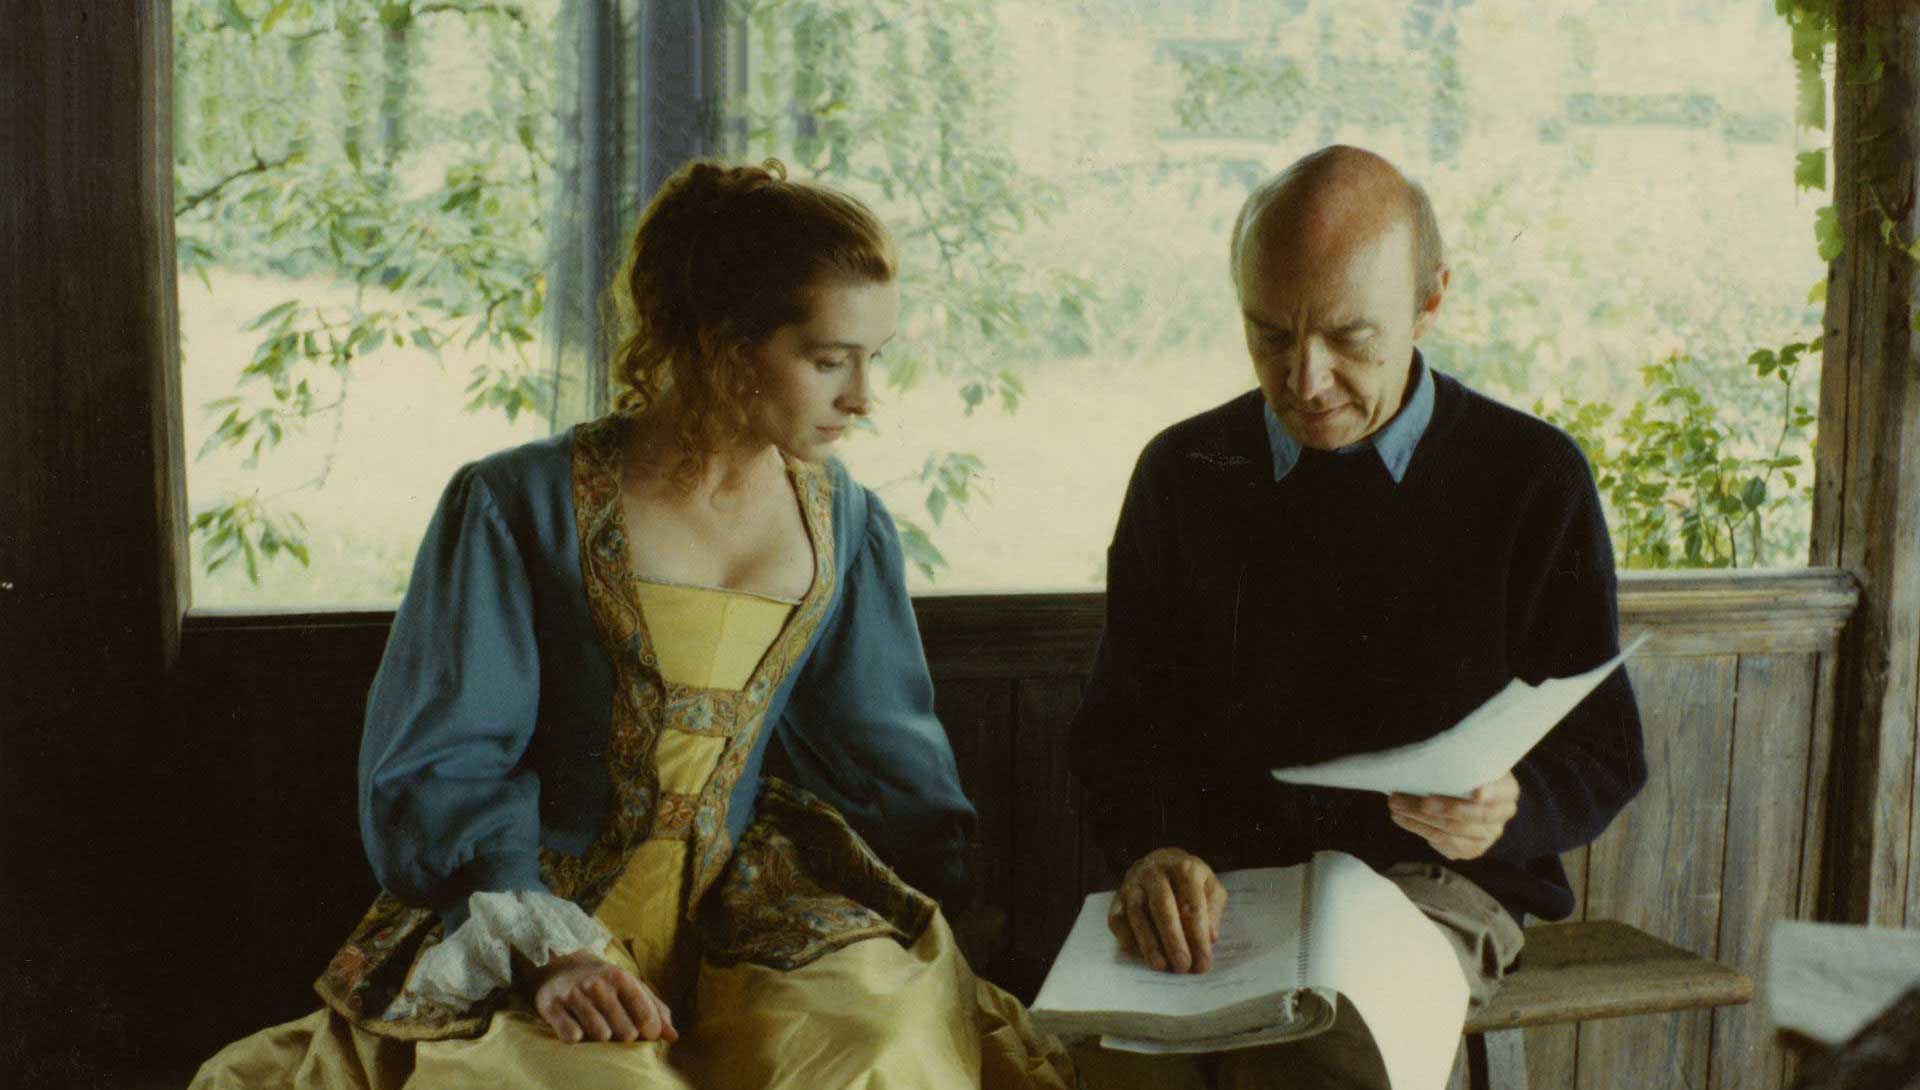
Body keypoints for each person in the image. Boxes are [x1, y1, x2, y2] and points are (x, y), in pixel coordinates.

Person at [192, 159, 1074, 1090]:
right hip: (539, 910)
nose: (864, 395)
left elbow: (882, 753)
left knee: (877, 1050)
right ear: (724, 342)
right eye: (828, 360)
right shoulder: (516, 503)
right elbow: (442, 761)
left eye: (873, 358)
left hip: (754, 915)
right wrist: (550, 955)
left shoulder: (844, 518)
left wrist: (944, 916)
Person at [1067, 145, 1647, 1089]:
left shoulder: (1531, 478)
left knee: (1318, 1058)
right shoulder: (1184, 473)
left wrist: (1509, 807)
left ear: (1430, 301)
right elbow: (1118, 728)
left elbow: (1606, 754)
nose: (1304, 380)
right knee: (1116, 1065)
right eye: (1269, 335)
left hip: (1435, 886)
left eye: (1350, 337)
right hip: (1218, 881)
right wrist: (1151, 851)